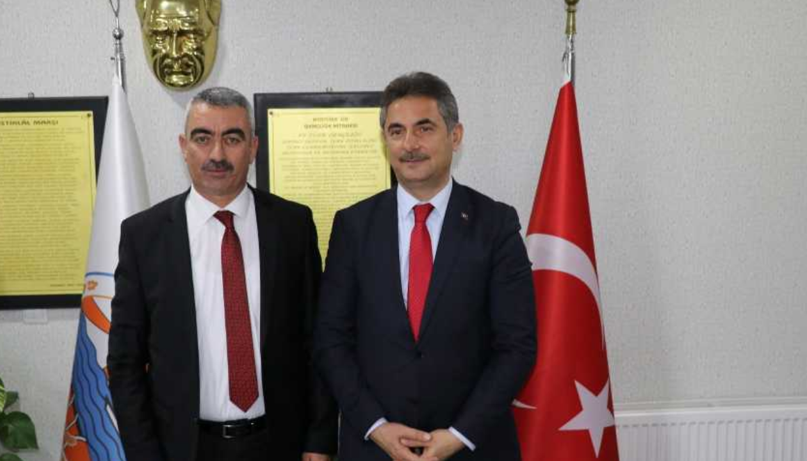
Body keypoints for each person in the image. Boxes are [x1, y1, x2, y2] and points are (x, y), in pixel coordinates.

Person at [314, 72, 537, 461]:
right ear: (384, 140)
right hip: (375, 448)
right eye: (396, 131)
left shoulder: (496, 225)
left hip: (472, 447)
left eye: (424, 128)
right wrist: (377, 427)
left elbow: (516, 346)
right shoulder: (353, 226)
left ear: (455, 135)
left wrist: (458, 435)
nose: (410, 144)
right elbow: (332, 340)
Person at [108, 87, 336, 461]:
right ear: (184, 146)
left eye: (232, 138)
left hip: (280, 443)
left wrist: (320, 440)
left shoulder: (292, 226)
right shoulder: (144, 236)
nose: (217, 154)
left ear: (253, 147)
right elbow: (124, 362)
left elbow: (318, 341)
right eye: (203, 138)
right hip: (184, 448)